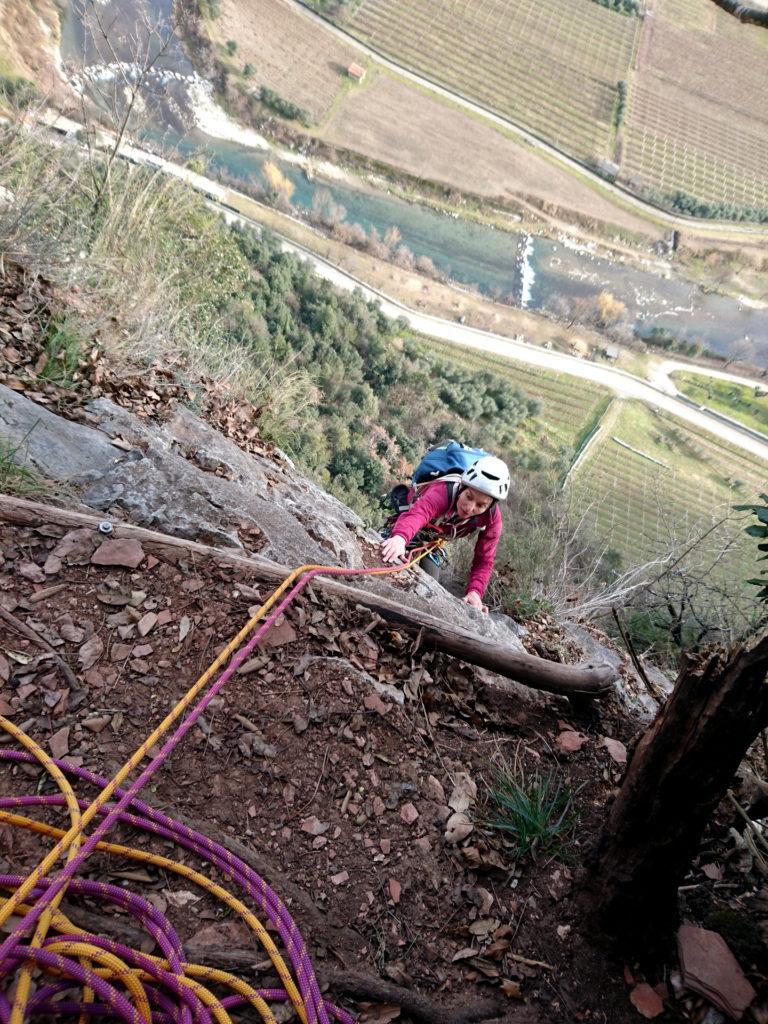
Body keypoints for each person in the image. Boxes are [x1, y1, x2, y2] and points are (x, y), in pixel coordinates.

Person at [380, 455, 510, 613]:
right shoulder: (443, 491)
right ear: (462, 487)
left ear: (490, 506)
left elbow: (484, 559)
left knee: (428, 593)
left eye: (481, 505)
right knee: (388, 559)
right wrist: (400, 538)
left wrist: (475, 592)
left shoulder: (491, 519)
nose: (469, 508)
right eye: (469, 497)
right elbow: (419, 514)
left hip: (432, 540)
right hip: (409, 525)